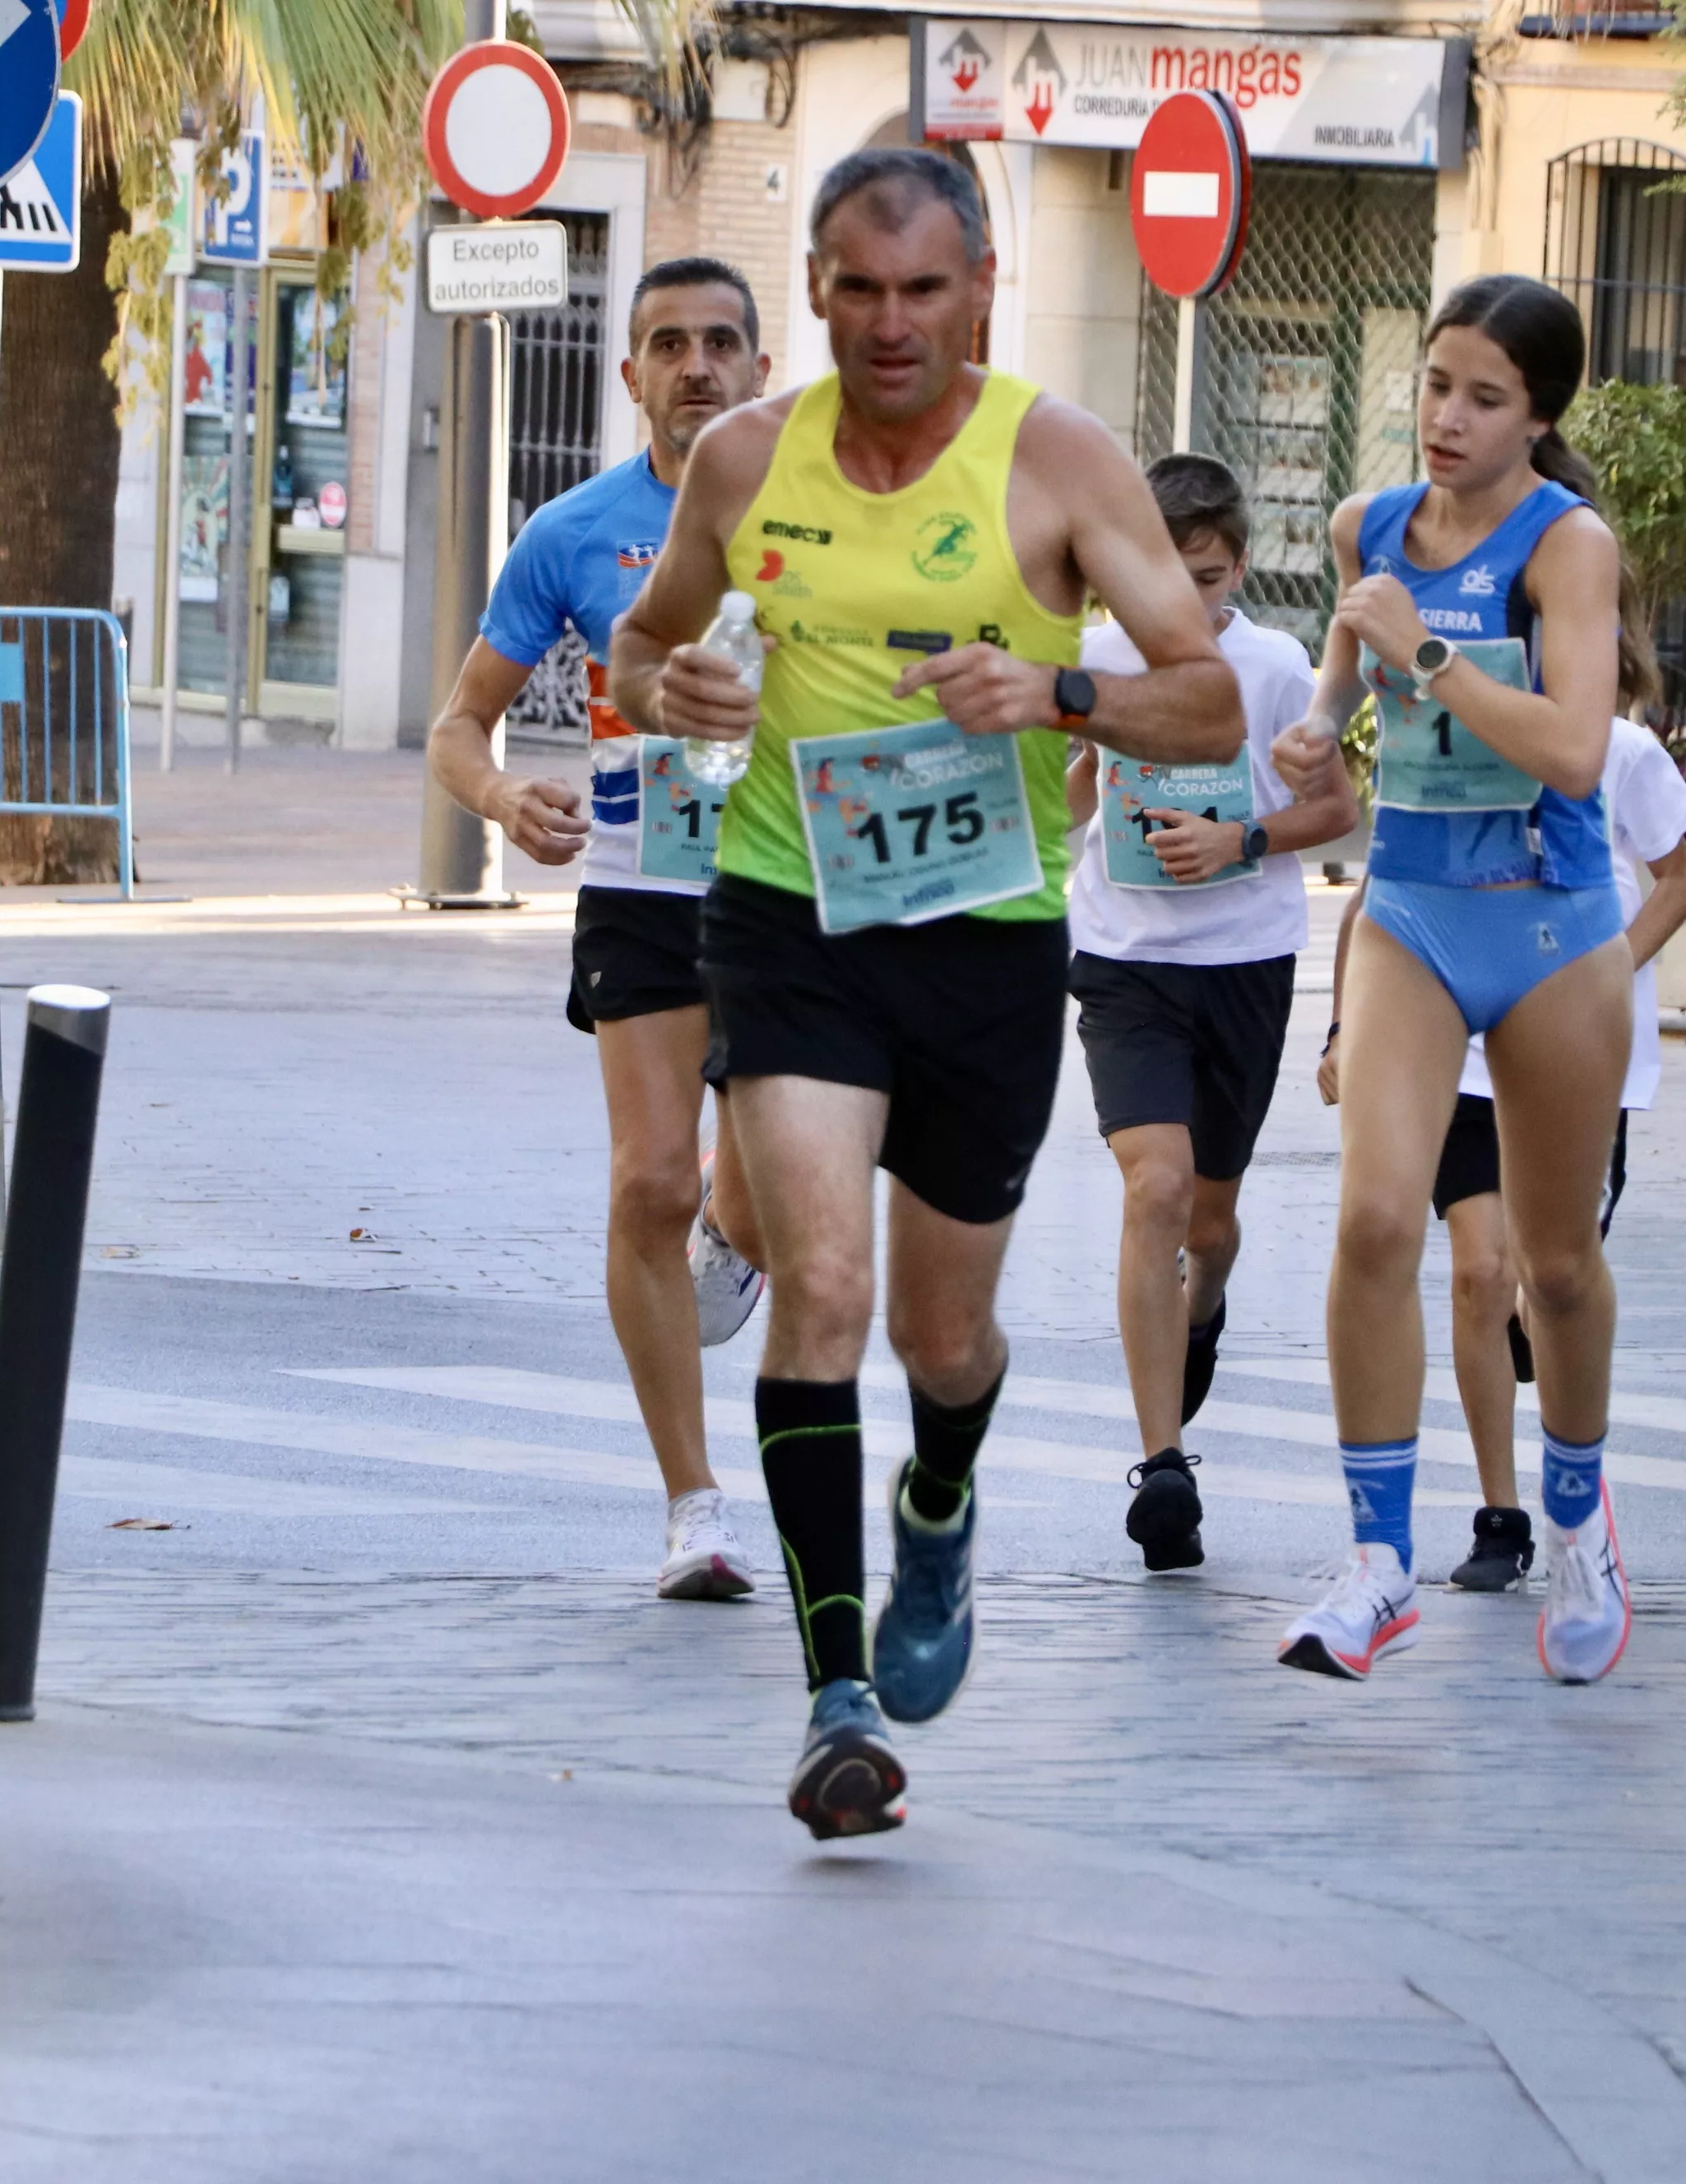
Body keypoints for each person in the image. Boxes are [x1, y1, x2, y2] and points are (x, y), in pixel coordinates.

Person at [607, 150, 1244, 1839]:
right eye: (860, 287)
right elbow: (639, 654)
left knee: (937, 1330)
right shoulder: (747, 457)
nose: (893, 323)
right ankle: (832, 1694)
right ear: (813, 289)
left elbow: (1206, 708)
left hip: (984, 932)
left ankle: (940, 1499)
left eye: (927, 289)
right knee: (818, 1279)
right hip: (787, 912)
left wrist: (1054, 687)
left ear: (979, 293)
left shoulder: (1058, 460)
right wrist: (677, 690)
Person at [1268, 274, 1653, 1687]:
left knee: (1547, 1266)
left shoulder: (1568, 545)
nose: (1446, 416)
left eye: (1483, 397)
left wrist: (1421, 653)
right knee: (1375, 1219)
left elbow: (1567, 750)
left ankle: (1572, 1518)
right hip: (1413, 912)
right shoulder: (1366, 526)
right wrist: (1315, 737)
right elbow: (1337, 687)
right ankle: (1375, 1560)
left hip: (1550, 923)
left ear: (1536, 416)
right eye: (1434, 383)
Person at [426, 259, 776, 1604]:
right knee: (648, 1184)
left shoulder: (811, 512)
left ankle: (725, 1237)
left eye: (719, 343)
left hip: (786, 886)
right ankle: (693, 1508)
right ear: (627, 373)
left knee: (754, 1201)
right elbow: (459, 724)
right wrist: (506, 796)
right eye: (666, 344)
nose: (694, 365)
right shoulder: (570, 533)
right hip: (639, 890)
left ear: (758, 363)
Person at [1317, 715, 1686, 1593]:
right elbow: (1378, 892)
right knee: (1478, 1274)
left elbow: (1680, 881)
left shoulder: (1618, 750)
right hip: (1454, 1044)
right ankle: (1501, 1515)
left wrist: (1600, 969)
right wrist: (1345, 1026)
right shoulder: (1438, 735)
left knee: (1550, 1280)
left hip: (1569, 1043)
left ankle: (1576, 1485)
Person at [1060, 453, 1359, 1573]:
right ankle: (1163, 1468)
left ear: (1240, 564)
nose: (1192, 603)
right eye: (1168, 577)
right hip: (1124, 956)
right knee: (1157, 1187)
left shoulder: (1278, 668)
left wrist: (1241, 840)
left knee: (1211, 1226)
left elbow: (1335, 805)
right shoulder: (1092, 660)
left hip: (1245, 957)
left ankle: (1209, 1301)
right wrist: (1085, 769)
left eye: (1211, 577)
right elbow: (1063, 804)